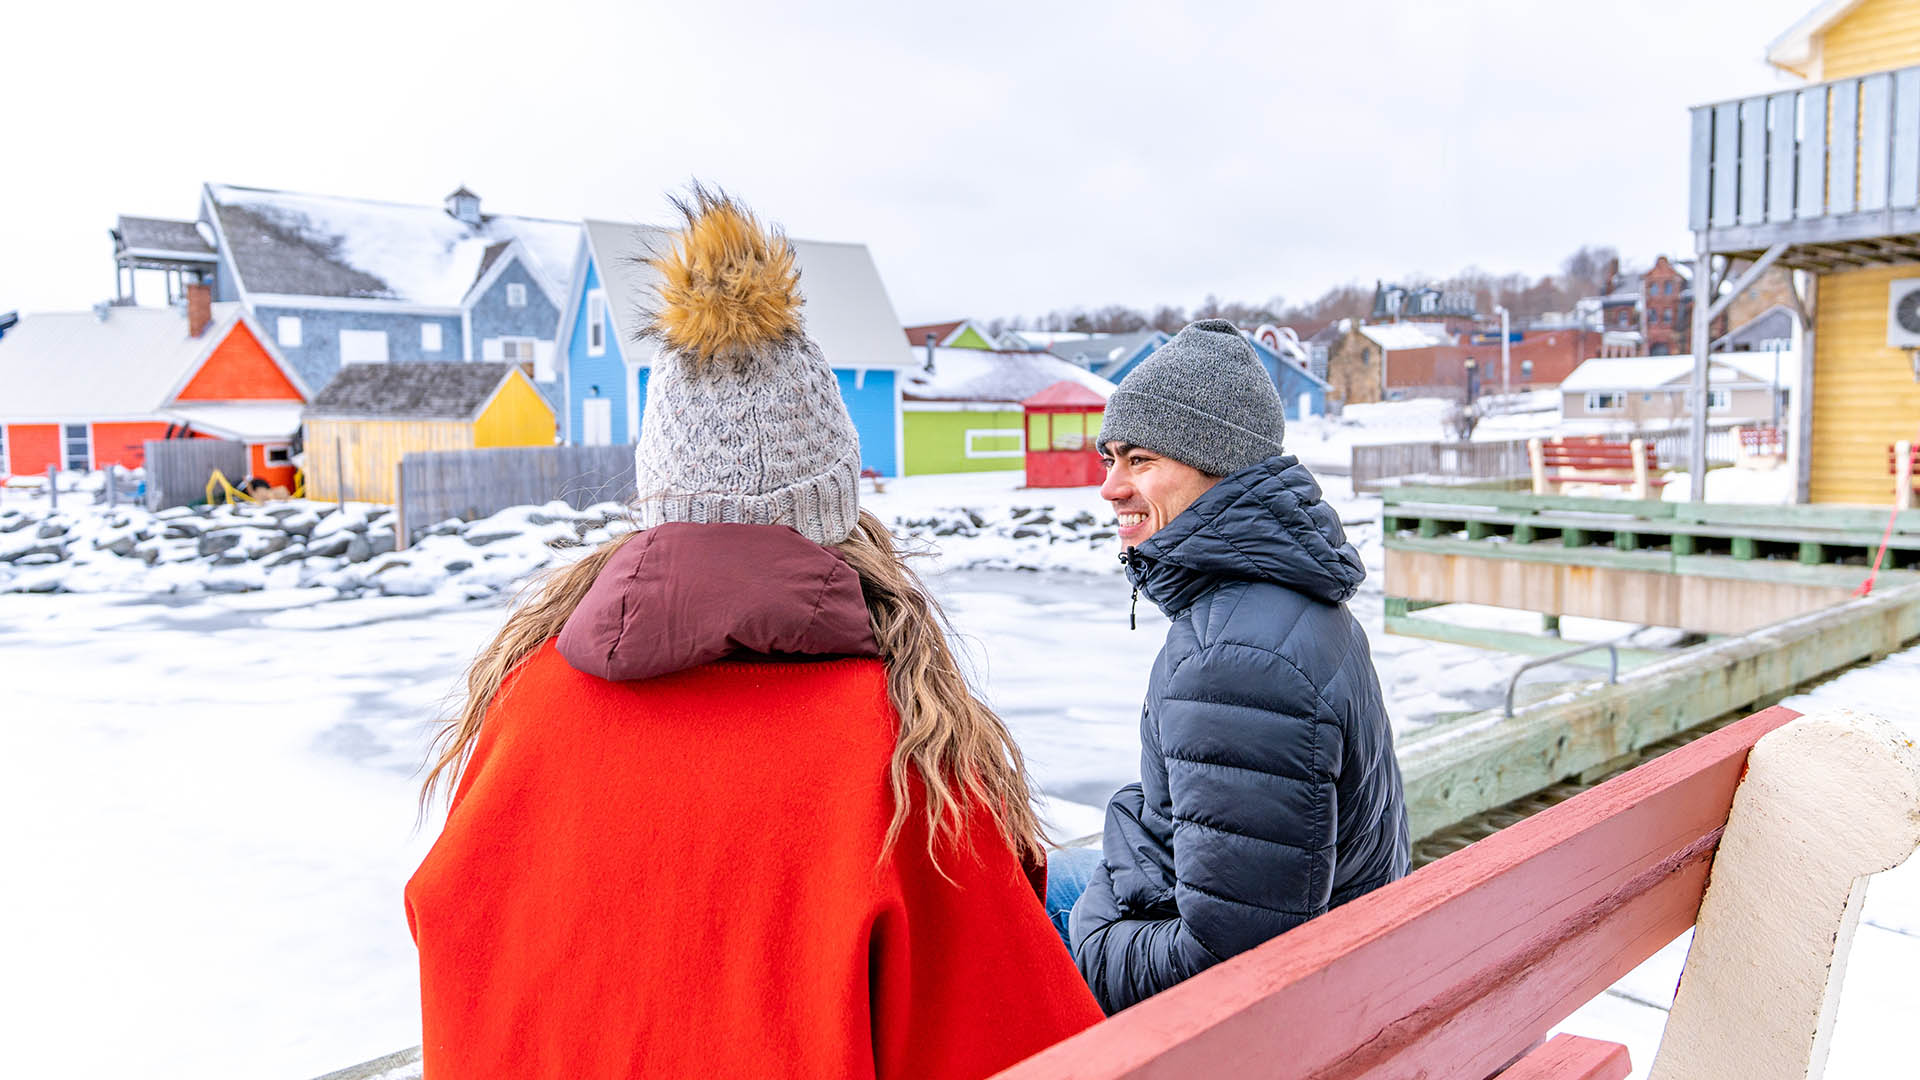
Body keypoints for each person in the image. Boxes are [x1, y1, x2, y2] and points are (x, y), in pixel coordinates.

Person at [406, 188, 1103, 1078]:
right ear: (838, 514)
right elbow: (1028, 1042)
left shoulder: (524, 706)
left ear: (656, 507)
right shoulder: (897, 754)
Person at [1052, 319, 1409, 1014]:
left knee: (1013, 911)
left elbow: (1231, 963)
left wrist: (1093, 927)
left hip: (1300, 1014)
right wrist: (1138, 823)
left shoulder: (1233, 659)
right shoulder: (1292, 600)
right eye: (1109, 460)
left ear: (1218, 466)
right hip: (1354, 951)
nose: (1110, 488)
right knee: (1051, 871)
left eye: (1141, 461)